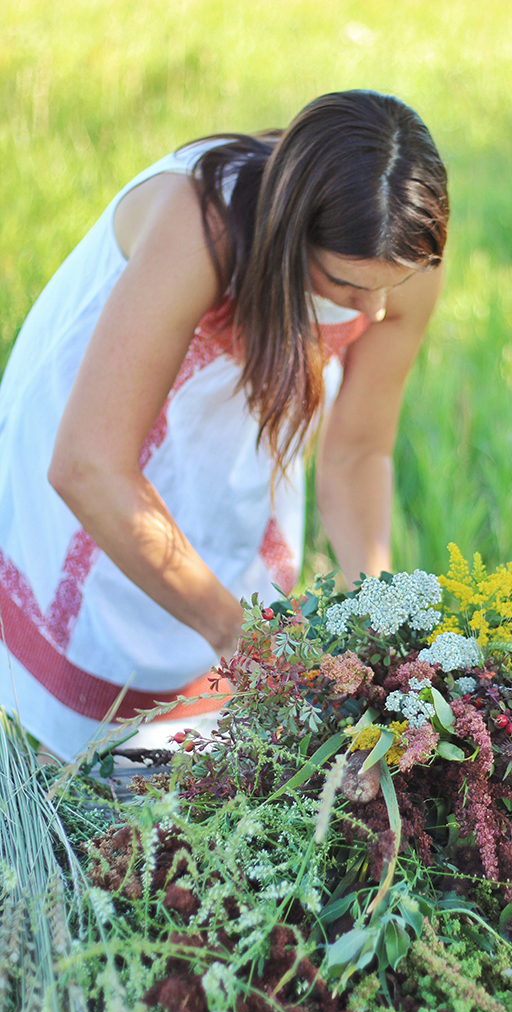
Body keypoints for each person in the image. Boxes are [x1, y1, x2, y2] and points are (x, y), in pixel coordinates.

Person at [0, 90, 449, 760]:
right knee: (87, 723)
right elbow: (89, 467)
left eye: (392, 284)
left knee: (212, 745)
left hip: (230, 454)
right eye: (348, 287)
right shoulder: (200, 224)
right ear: (291, 235)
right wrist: (240, 634)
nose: (376, 312)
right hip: (99, 450)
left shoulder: (396, 247)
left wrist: (377, 618)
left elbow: (357, 454)